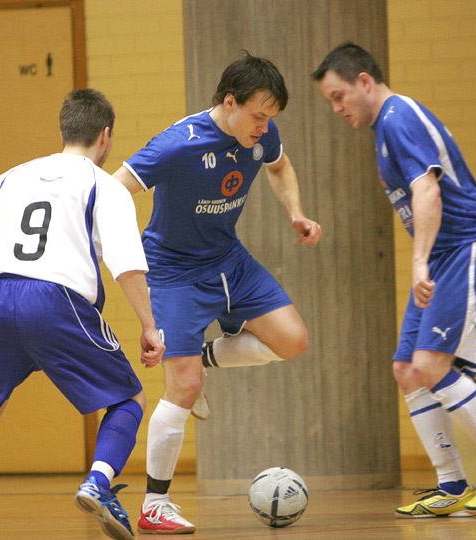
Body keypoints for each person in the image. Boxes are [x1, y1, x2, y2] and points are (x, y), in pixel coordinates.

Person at [311, 42, 476, 518]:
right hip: (442, 256)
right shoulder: (385, 127)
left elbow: (427, 191)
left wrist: (418, 262)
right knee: (407, 370)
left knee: (431, 365)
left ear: (364, 82)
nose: (336, 108)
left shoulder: (399, 118)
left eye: (338, 96)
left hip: (467, 249)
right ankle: (451, 483)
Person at [113, 51, 321, 534]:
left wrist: (295, 212)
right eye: (258, 116)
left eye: (270, 118)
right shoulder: (176, 145)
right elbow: (114, 188)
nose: (264, 127)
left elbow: (279, 167)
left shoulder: (262, 135)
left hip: (229, 260)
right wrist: (112, 250)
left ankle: (204, 356)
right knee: (184, 387)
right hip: (172, 271)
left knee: (293, 340)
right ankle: (154, 505)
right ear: (230, 102)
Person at [0, 89, 165, 540]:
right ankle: (99, 483)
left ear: (64, 129)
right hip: (53, 300)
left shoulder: (9, 177)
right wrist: (149, 326)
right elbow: (127, 265)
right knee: (129, 399)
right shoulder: (104, 185)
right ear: (105, 136)